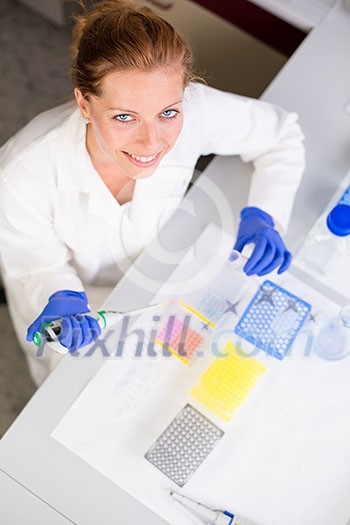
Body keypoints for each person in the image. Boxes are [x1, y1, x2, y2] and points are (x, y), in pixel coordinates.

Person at [0, 0, 305, 387]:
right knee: (71, 396)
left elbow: (281, 136)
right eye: (124, 117)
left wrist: (265, 214)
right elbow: (35, 266)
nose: (151, 141)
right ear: (85, 104)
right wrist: (59, 295)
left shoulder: (195, 111)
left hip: (161, 277)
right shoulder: (21, 173)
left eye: (168, 113)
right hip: (77, 305)